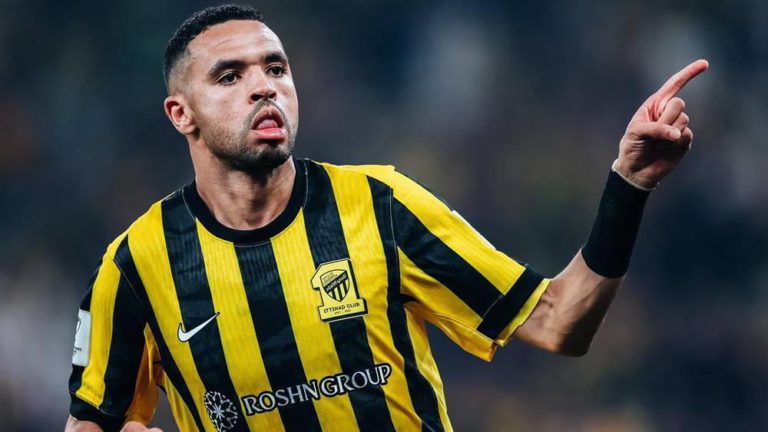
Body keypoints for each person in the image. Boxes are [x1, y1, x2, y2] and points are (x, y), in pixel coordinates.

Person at [64, 4, 708, 432]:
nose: (264, 87)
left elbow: (560, 322)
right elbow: (92, 421)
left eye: (276, 68)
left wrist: (628, 185)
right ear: (181, 114)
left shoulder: (381, 205)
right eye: (230, 76)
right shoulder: (136, 265)